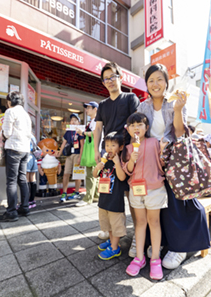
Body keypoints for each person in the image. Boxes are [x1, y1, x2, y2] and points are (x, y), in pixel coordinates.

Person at [137, 63, 210, 270]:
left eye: (159, 79)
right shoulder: (143, 106)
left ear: (166, 82)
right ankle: (159, 243)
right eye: (151, 80)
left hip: (174, 161)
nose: (155, 84)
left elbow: (180, 133)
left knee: (178, 202)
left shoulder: (176, 102)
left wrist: (178, 110)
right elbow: (140, 132)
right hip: (152, 162)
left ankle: (180, 247)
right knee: (156, 204)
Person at [93, 62, 140, 243]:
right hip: (109, 155)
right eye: (106, 79)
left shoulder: (130, 98)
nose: (110, 81)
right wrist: (98, 150)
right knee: (110, 192)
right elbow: (98, 129)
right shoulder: (102, 105)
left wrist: (136, 148)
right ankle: (111, 232)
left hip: (127, 154)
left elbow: (137, 124)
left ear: (120, 77)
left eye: (113, 76)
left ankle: (138, 233)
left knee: (131, 195)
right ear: (103, 83)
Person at [122, 113, 168, 280]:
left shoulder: (154, 142)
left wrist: (163, 150)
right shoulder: (127, 148)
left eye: (140, 124)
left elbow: (163, 163)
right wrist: (132, 160)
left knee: (154, 222)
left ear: (146, 128)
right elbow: (127, 170)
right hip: (136, 189)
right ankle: (139, 258)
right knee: (140, 223)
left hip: (154, 189)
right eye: (132, 125)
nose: (136, 128)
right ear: (128, 129)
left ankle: (155, 258)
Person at [0, 91, 32, 222]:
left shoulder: (10, 111)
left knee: (11, 180)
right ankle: (24, 207)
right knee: (22, 179)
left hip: (13, 148)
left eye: (7, 102)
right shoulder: (26, 114)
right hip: (25, 149)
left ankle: (11, 211)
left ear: (10, 101)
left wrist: (1, 129)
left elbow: (7, 133)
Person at [94, 132, 129, 260]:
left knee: (116, 225)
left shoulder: (121, 161)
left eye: (113, 145)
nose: (109, 148)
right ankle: (111, 241)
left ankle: (115, 248)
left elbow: (122, 177)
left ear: (120, 147)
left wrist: (117, 163)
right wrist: (98, 167)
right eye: (107, 145)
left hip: (115, 202)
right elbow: (94, 174)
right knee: (108, 224)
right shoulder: (105, 161)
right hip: (104, 200)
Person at [76, 101, 100, 207]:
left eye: (89, 108)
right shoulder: (93, 121)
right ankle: (95, 195)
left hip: (94, 150)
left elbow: (95, 133)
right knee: (95, 174)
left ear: (95, 109)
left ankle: (88, 198)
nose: (86, 110)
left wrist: (82, 133)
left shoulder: (96, 121)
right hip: (94, 150)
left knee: (90, 174)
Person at [58, 113, 85, 202]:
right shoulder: (68, 131)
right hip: (69, 155)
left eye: (75, 120)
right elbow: (63, 143)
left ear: (78, 122)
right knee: (66, 173)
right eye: (72, 120)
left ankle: (76, 192)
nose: (73, 122)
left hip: (77, 154)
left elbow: (82, 145)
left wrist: (80, 157)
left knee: (78, 174)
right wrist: (59, 153)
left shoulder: (80, 131)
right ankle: (64, 193)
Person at [25, 122, 38, 208]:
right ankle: (32, 200)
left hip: (27, 156)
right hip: (33, 157)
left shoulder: (25, 134)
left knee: (26, 178)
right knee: (32, 178)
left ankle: (26, 201)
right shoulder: (32, 135)